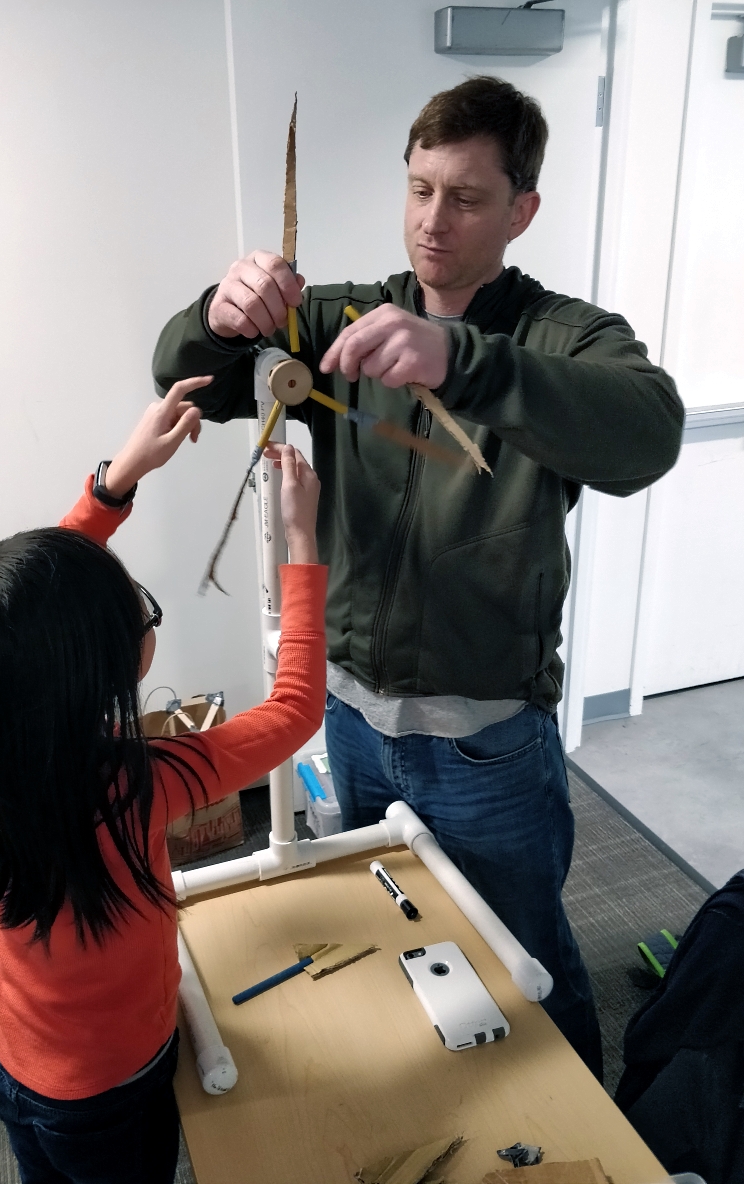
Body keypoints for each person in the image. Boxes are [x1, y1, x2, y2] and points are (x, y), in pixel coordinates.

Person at [151, 76, 686, 1078]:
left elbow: (648, 434)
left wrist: (462, 361)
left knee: (525, 958)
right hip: (351, 721)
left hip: (485, 740)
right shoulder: (346, 318)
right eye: (420, 189)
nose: (434, 221)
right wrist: (217, 321)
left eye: (468, 198)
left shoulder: (561, 338)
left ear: (522, 210)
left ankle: (594, 1117)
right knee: (403, 934)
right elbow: (188, 379)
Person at [0, 376, 326, 1184]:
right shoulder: (138, 785)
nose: (141, 610)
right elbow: (294, 709)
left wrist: (115, 483)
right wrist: (303, 545)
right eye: (139, 609)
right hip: (110, 1092)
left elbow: (20, 614)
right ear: (93, 671)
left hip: (10, 1053)